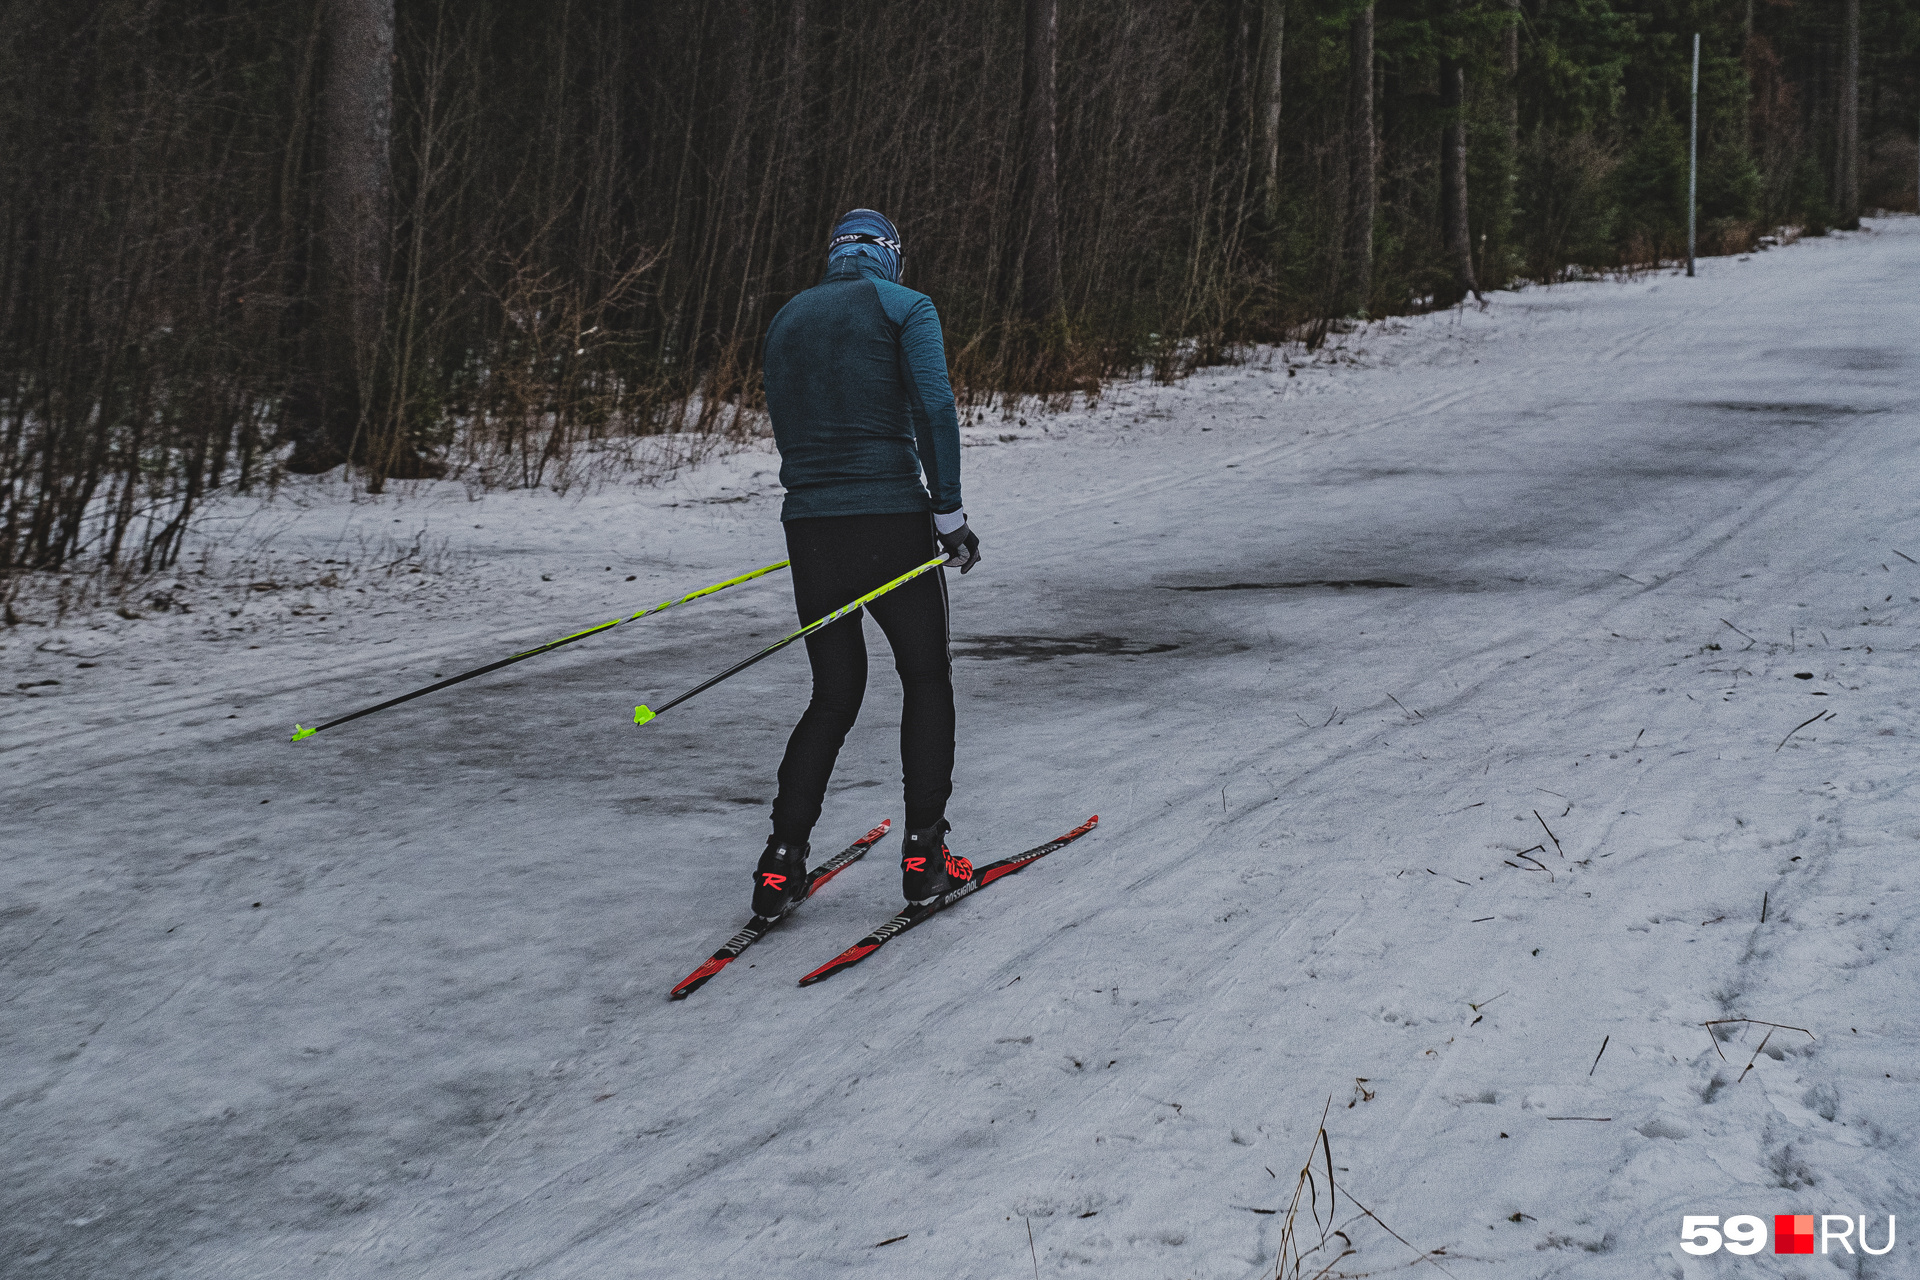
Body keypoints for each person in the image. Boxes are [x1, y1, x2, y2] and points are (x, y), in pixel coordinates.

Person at [751, 209, 982, 918]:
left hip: (810, 530)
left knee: (833, 691)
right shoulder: (906, 306)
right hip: (891, 522)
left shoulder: (786, 318)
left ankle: (779, 863)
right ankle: (925, 857)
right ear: (890, 255)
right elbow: (936, 406)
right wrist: (949, 513)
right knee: (925, 677)